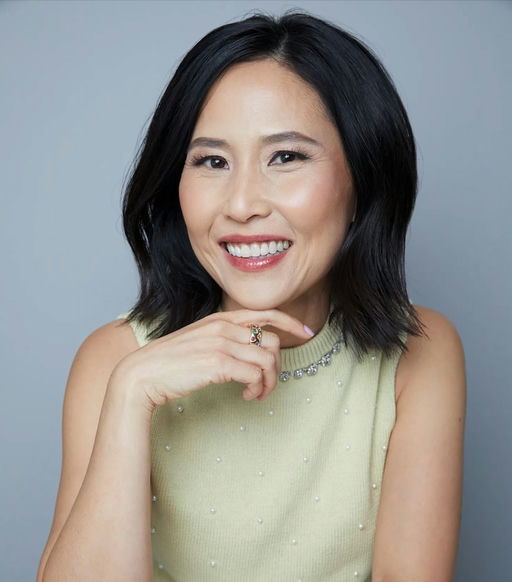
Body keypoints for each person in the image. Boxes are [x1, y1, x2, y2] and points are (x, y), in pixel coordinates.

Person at [37, 12, 466, 582]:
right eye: (212, 162)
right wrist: (131, 394)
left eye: (286, 157)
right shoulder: (115, 360)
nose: (241, 205)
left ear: (363, 179)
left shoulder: (420, 353)